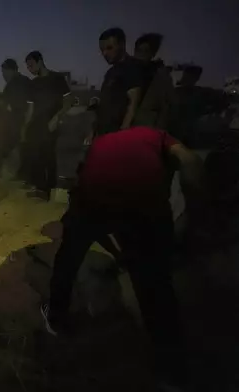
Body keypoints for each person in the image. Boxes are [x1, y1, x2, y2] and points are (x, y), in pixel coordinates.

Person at [40, 126, 205, 392]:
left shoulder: (106, 141)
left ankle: (56, 317)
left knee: (70, 252)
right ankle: (171, 371)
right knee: (155, 283)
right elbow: (188, 160)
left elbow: (97, 207)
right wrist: (194, 208)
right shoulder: (162, 137)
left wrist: (121, 248)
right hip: (141, 196)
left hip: (93, 192)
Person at [24, 51, 73, 201]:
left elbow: (69, 101)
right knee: (35, 156)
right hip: (35, 125)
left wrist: (57, 117)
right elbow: (30, 109)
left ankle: (48, 189)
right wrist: (25, 127)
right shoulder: (33, 84)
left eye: (31, 65)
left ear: (40, 62)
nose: (30, 69)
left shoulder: (57, 79)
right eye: (27, 67)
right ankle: (39, 188)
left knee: (48, 156)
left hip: (51, 123)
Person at [94, 27, 143, 137]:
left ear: (122, 45)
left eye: (109, 48)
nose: (105, 53)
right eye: (102, 50)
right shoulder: (111, 73)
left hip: (119, 135)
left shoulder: (132, 67)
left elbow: (132, 105)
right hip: (105, 133)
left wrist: (123, 134)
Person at [133, 33, 175, 129]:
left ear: (153, 54)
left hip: (148, 129)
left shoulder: (161, 76)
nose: (141, 55)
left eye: (146, 51)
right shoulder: (128, 71)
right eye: (139, 51)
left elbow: (169, 105)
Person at [0, 58, 33, 184]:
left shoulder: (18, 83)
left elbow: (27, 104)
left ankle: (24, 176)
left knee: (15, 148)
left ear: (12, 70)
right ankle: (21, 175)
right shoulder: (17, 83)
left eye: (4, 72)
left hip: (20, 121)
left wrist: (25, 122)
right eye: (2, 72)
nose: (3, 75)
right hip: (17, 121)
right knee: (18, 148)